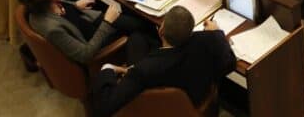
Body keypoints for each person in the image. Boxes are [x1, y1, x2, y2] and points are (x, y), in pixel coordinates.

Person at [90, 6, 235, 117]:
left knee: (137, 38)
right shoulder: (207, 42)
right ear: (191, 33)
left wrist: (107, 68)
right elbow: (230, 64)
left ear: (161, 31)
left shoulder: (142, 70)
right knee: (138, 38)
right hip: (194, 100)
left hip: (154, 106)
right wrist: (217, 33)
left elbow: (104, 107)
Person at [19, 0, 156, 70]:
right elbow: (85, 55)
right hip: (94, 41)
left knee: (137, 20)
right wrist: (107, 22)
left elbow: (61, 11)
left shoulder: (42, 6)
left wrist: (74, 5)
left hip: (89, 23)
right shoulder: (52, 29)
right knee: (139, 34)